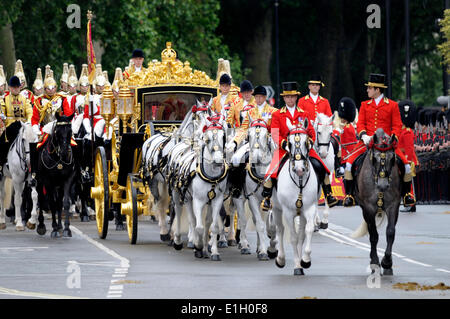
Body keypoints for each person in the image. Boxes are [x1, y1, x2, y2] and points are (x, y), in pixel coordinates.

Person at [260, 82, 337, 211]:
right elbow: (274, 133)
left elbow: (312, 132)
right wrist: (284, 144)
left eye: (292, 96)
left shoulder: (304, 114)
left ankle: (328, 194)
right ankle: (267, 198)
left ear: (296, 97)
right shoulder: (277, 114)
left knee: (321, 166)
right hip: (284, 149)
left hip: (304, 149)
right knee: (271, 169)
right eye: (287, 97)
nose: (290, 99)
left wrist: (310, 142)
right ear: (284, 98)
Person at [342, 73, 415, 207]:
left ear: (377, 89)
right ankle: (349, 195)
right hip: (367, 142)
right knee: (348, 164)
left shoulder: (392, 105)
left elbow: (397, 125)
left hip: (386, 144)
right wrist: (363, 135)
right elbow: (361, 123)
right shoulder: (365, 104)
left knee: (406, 166)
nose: (367, 90)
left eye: (370, 88)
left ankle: (407, 194)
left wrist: (393, 137)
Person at [225, 85, 277, 198]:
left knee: (277, 160)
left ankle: (275, 188)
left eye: (261, 97)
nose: (258, 99)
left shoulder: (273, 111)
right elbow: (244, 129)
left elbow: (275, 129)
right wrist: (235, 142)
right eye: (256, 97)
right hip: (252, 142)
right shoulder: (250, 112)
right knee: (236, 158)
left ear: (265, 97)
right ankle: (237, 187)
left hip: (267, 141)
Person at [0, 76, 33, 178]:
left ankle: (34, 168)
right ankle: (1, 165)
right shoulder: (4, 99)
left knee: (33, 142)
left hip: (22, 125)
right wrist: (3, 117)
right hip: (10, 125)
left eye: (17, 87)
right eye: (13, 87)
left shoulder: (25, 99)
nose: (15, 89)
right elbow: (2, 112)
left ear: (20, 87)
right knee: (2, 142)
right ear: (9, 87)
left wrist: (28, 122)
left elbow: (29, 112)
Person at [398, 100, 419, 213]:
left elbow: (409, 149)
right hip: (402, 160)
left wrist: (408, 162)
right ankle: (409, 203)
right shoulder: (402, 131)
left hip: (407, 160)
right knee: (404, 183)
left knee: (408, 183)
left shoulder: (407, 131)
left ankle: (410, 203)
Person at [337, 97, 357, 177]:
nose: (341, 119)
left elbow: (346, 144)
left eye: (342, 118)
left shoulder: (347, 128)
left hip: (346, 155)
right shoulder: (348, 126)